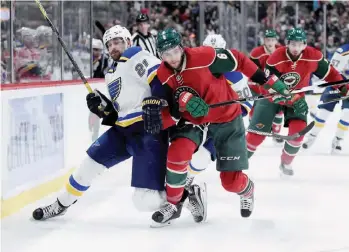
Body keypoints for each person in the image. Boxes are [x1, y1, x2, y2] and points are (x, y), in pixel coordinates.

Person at [32, 25, 204, 224]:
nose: (113, 47)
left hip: (147, 131)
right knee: (88, 165)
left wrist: (155, 100)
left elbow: (160, 79)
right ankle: (61, 204)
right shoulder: (111, 71)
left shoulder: (136, 56)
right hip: (122, 131)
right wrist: (103, 109)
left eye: (118, 41)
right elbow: (120, 110)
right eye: (110, 44)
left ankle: (187, 194)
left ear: (129, 42)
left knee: (144, 201)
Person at [140, 28, 291, 225]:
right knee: (177, 153)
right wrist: (180, 104)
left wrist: (268, 81)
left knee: (230, 182)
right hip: (194, 122)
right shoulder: (163, 72)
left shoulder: (206, 56)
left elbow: (239, 60)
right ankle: (173, 204)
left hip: (226, 119)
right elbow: (169, 105)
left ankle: (247, 189)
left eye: (175, 51)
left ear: (182, 47)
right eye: (166, 54)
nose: (172, 58)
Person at [246, 28, 349, 176]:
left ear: (305, 44)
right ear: (287, 44)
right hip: (270, 97)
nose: (296, 48)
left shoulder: (313, 56)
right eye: (293, 44)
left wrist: (345, 88)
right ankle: (237, 164)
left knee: (298, 134)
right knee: (255, 136)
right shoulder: (276, 57)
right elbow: (270, 82)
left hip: (296, 99)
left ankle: (286, 163)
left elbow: (331, 74)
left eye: (299, 44)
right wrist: (289, 96)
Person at [184, 34, 253, 189]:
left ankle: (245, 189)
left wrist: (227, 112)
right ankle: (185, 182)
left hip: (226, 125)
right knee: (189, 153)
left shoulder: (234, 74)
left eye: (217, 52)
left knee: (205, 158)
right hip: (203, 123)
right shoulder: (195, 70)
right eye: (209, 51)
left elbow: (247, 102)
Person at [249, 29, 284, 144]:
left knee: (279, 109)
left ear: (276, 40)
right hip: (258, 85)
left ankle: (276, 132)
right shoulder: (256, 53)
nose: (270, 42)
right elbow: (251, 70)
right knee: (254, 109)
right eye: (268, 40)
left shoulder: (281, 50)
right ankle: (254, 130)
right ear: (264, 40)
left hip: (275, 85)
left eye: (272, 40)